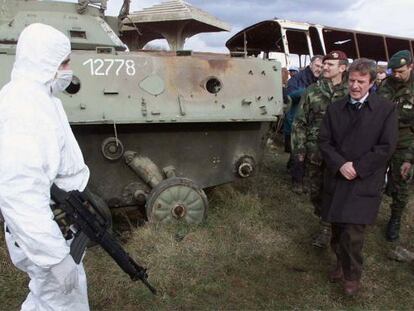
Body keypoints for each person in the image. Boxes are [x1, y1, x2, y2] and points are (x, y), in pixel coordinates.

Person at [0, 23, 90, 310]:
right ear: (44, 63)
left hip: (58, 221)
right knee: (60, 303)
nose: (68, 69)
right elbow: (19, 192)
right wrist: (55, 258)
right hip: (48, 229)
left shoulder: (38, 97)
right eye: (63, 63)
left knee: (47, 300)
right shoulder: (26, 110)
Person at [319, 58, 398, 295]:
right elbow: (324, 141)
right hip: (337, 177)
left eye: (361, 82)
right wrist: (341, 164)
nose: (355, 86)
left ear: (371, 83)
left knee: (353, 233)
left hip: (364, 181)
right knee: (336, 228)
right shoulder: (335, 109)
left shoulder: (385, 110)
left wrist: (358, 167)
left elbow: (387, 146)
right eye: (352, 80)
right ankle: (340, 264)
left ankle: (352, 276)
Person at [291, 51, 348, 247]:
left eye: (329, 64)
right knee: (315, 192)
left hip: (340, 155)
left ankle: (327, 228)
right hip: (315, 152)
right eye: (324, 64)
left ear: (342, 67)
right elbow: (299, 122)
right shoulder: (312, 91)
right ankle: (324, 219)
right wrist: (298, 149)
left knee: (335, 191)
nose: (324, 67)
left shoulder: (350, 92)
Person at [377, 50, 414, 242]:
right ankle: (367, 211)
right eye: (394, 72)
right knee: (373, 179)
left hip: (405, 144)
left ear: (410, 67)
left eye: (400, 71)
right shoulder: (386, 85)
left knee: (401, 183)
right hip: (382, 142)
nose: (396, 75)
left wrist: (410, 158)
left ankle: (395, 219)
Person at [283, 55, 324, 192]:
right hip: (297, 118)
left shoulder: (322, 81)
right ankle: (297, 182)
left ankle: (298, 172)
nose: (319, 69)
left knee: (307, 149)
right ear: (311, 64)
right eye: (317, 66)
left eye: (321, 67)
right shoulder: (298, 78)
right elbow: (289, 94)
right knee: (299, 149)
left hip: (314, 121)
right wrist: (310, 91)